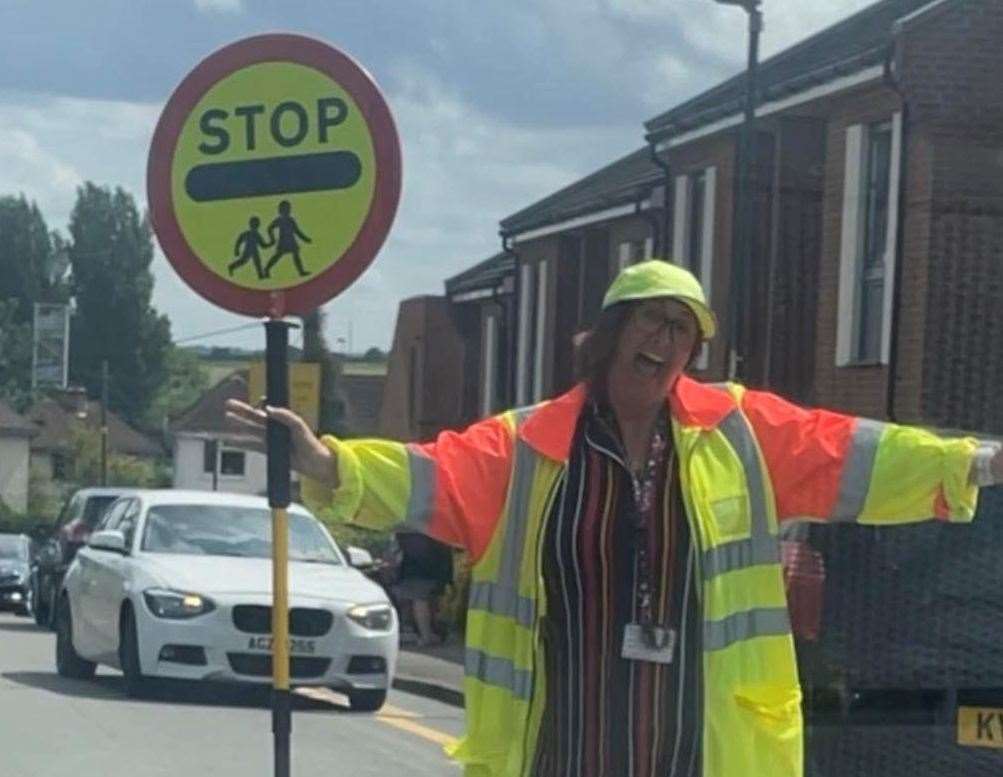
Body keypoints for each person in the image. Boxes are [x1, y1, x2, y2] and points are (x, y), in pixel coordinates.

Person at [225, 259, 1003, 777]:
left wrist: (969, 462)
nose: (665, 341)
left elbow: (852, 454)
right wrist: (329, 464)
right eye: (651, 321)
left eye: (682, 329)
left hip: (703, 755)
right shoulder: (528, 444)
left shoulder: (738, 431)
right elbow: (432, 472)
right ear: (609, 334)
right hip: (560, 753)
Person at [392, 531, 454, 647]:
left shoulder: (408, 529)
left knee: (419, 600)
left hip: (415, 569)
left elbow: (398, 549)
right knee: (423, 600)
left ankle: (423, 634)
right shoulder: (436, 528)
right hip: (431, 569)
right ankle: (426, 634)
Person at [229, 215, 272, 279]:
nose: (255, 225)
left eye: (256, 224)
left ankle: (260, 275)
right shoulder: (247, 233)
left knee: (258, 263)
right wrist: (236, 249)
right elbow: (239, 241)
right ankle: (231, 267)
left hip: (255, 251)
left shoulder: (257, 234)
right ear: (250, 224)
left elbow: (263, 245)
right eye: (254, 224)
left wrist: (270, 244)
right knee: (243, 261)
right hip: (248, 250)